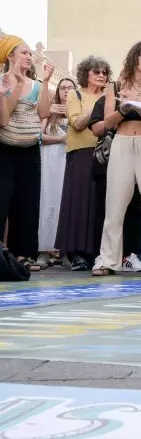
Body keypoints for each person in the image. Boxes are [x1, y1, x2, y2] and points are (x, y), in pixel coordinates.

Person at [91, 40, 141, 278]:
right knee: (114, 205)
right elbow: (107, 122)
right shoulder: (115, 86)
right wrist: (124, 110)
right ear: (135, 57)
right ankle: (108, 260)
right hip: (122, 144)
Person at [0, 35, 53, 272]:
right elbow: (4, 118)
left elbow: (43, 113)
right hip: (6, 150)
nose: (29, 57)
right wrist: (17, 84)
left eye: (30, 53)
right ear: (10, 55)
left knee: (28, 202)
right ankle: (2, 254)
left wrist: (45, 81)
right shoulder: (2, 82)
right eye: (24, 53)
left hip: (30, 149)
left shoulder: (39, 85)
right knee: (3, 201)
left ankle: (24, 254)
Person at [55, 56, 110, 271]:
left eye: (104, 72)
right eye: (96, 71)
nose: (101, 75)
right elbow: (77, 123)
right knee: (78, 204)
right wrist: (99, 104)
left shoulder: (110, 96)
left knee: (98, 205)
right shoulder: (74, 94)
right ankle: (76, 253)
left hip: (104, 155)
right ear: (85, 73)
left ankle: (96, 253)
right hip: (80, 154)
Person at [37, 77, 76, 269]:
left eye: (70, 88)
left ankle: (66, 252)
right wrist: (61, 139)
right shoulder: (49, 111)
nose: (66, 91)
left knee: (66, 204)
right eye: (63, 88)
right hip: (51, 161)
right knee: (48, 202)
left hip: (70, 162)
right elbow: (39, 136)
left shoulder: (78, 111)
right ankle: (43, 251)